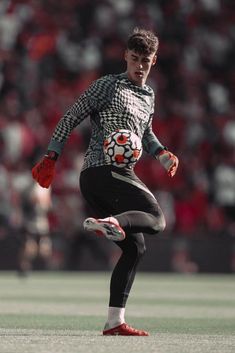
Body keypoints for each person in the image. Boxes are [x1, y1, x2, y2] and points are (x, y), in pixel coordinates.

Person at [32, 27, 179, 336]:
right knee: (157, 219)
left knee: (135, 250)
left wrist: (162, 153)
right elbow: (71, 115)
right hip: (103, 170)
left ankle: (114, 322)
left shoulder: (148, 95)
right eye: (135, 58)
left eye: (146, 61)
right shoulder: (107, 86)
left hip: (113, 178)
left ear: (154, 61)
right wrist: (51, 156)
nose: (140, 66)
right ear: (126, 56)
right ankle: (113, 221)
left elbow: (145, 133)